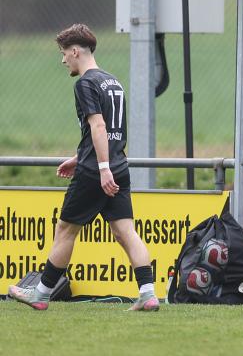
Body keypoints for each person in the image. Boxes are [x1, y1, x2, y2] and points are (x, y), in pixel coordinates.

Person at [8, 24, 159, 311]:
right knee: (126, 231)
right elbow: (111, 132)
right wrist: (81, 156)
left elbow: (99, 125)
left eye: (64, 53)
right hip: (119, 165)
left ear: (75, 51)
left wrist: (100, 168)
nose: (63, 59)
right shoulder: (113, 82)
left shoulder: (85, 84)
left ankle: (40, 294)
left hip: (97, 172)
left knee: (65, 229)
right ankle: (148, 293)